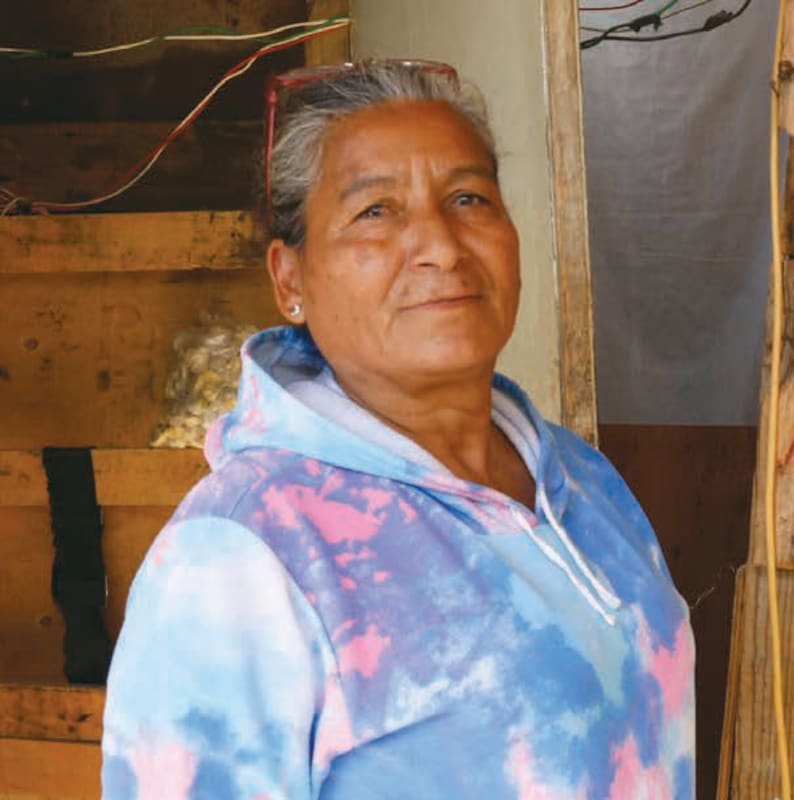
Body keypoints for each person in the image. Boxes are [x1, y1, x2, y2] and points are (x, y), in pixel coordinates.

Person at [100, 60, 695, 799]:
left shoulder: (581, 478)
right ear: (290, 279)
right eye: (375, 212)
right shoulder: (243, 551)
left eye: (469, 198)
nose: (442, 246)